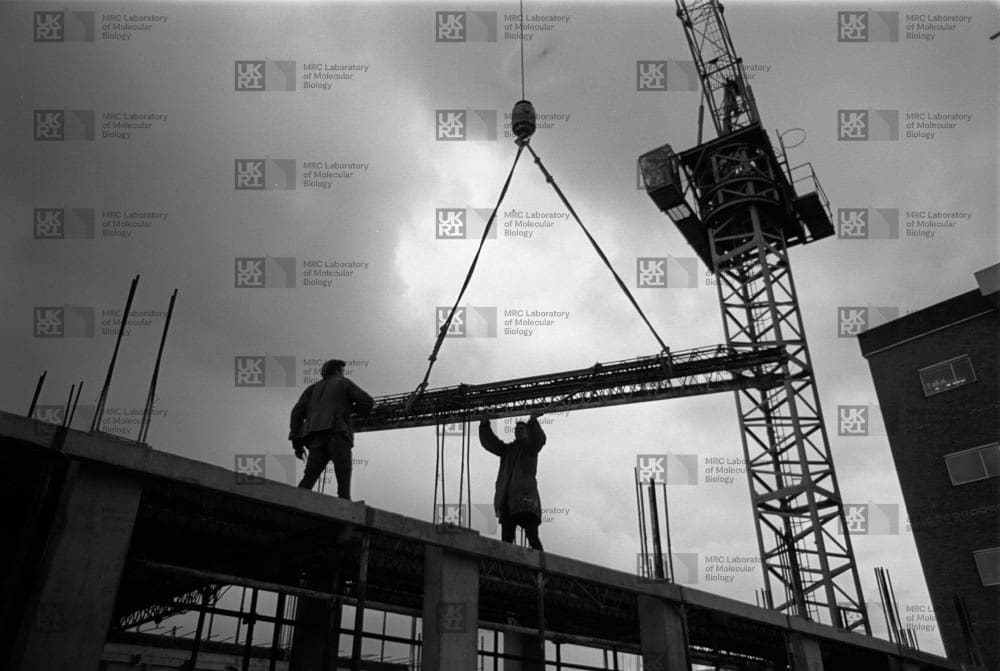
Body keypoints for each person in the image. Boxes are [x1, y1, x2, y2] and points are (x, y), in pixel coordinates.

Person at [289, 359, 374, 498]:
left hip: (316, 440)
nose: (343, 373)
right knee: (343, 473)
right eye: (342, 371)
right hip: (338, 435)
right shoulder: (343, 383)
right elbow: (367, 402)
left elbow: (296, 414)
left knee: (309, 477)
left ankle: (294, 503)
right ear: (337, 371)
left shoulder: (311, 389)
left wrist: (297, 444)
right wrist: (352, 410)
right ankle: (345, 505)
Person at [479, 413, 546, 550]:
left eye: (522, 429)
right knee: (506, 542)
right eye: (517, 430)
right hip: (509, 503)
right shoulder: (508, 450)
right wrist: (485, 425)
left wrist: (533, 421)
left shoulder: (530, 449)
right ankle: (508, 569)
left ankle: (542, 569)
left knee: (532, 537)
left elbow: (539, 440)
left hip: (526, 502)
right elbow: (491, 443)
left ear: (527, 433)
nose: (518, 431)